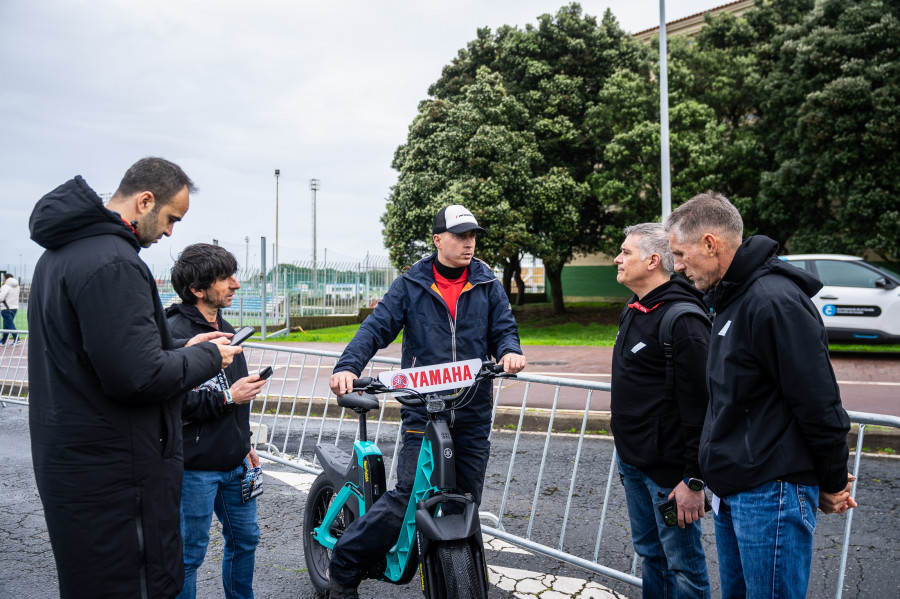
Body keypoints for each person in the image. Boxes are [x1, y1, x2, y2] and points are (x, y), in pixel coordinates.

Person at [27, 157, 243, 599]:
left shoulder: (60, 256)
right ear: (145, 201)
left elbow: (108, 358)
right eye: (169, 219)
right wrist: (206, 357)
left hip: (79, 464)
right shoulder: (115, 263)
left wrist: (173, 352)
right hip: (117, 477)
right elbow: (137, 377)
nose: (169, 233)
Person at [326, 204, 527, 598]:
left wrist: (509, 352)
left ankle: (457, 576)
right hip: (424, 411)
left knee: (465, 500)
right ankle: (344, 566)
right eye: (460, 236)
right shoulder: (411, 285)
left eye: (473, 236)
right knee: (407, 498)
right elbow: (375, 328)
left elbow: (504, 329)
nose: (469, 243)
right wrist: (348, 366)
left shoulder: (487, 284)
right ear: (438, 240)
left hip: (472, 409)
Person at [664, 191, 856, 599]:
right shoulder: (732, 299)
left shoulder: (773, 301)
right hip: (740, 490)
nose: (676, 266)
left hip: (771, 493)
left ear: (710, 244)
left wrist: (833, 481)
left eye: (680, 254)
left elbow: (819, 402)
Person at [610, 223, 711, 598]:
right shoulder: (635, 309)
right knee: (651, 556)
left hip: (671, 476)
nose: (618, 259)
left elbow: (703, 408)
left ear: (653, 261)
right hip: (634, 463)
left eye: (626, 252)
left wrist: (694, 480)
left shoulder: (682, 320)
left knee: (684, 568)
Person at [167, 243, 267, 599]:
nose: (236, 284)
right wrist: (229, 397)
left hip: (236, 462)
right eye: (225, 277)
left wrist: (247, 444)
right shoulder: (173, 333)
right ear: (197, 289)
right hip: (193, 469)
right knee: (188, 555)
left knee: (246, 542)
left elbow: (234, 394)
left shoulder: (225, 327)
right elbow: (171, 402)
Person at [0, 272, 20, 344]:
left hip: (6, 308)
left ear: (5, 279)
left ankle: (17, 339)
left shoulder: (5, 287)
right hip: (14, 308)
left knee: (10, 325)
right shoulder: (17, 286)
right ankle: (3, 341)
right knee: (7, 325)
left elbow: (1, 298)